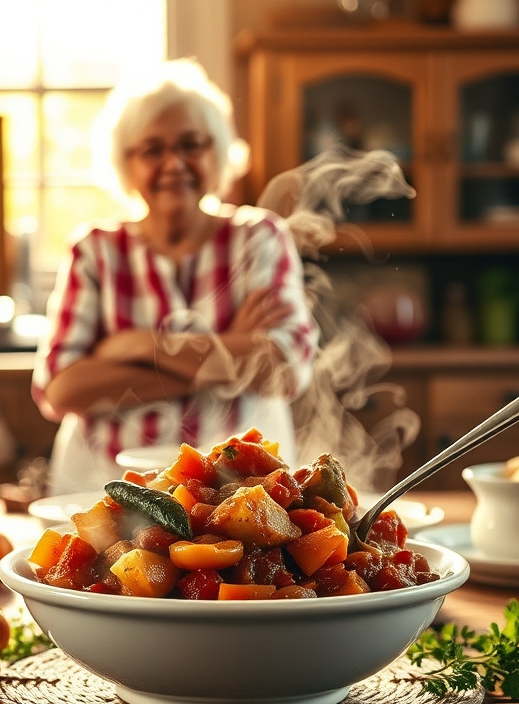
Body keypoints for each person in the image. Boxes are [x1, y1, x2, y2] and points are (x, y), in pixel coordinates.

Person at [32, 59, 319, 495]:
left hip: (239, 489)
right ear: (125, 163)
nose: (174, 163)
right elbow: (61, 389)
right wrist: (225, 356)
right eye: (152, 149)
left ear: (218, 152)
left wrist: (137, 346)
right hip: (106, 485)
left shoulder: (259, 238)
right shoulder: (93, 250)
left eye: (191, 144)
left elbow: (286, 369)